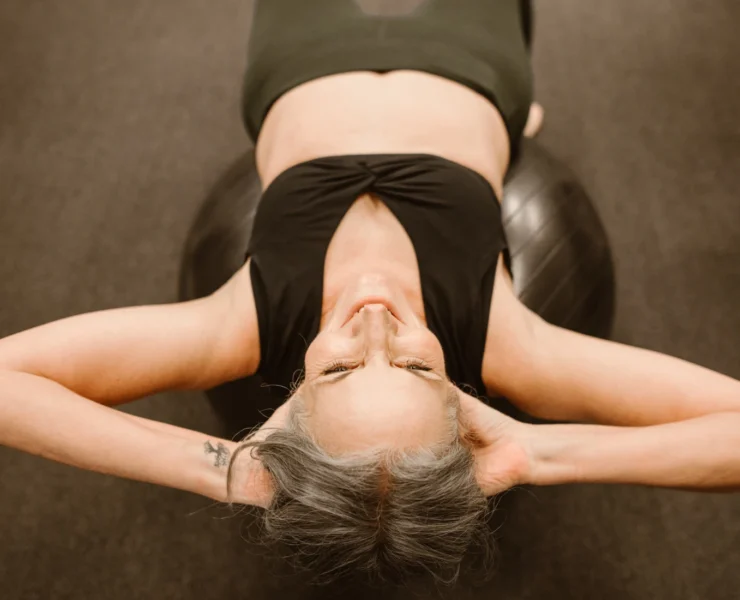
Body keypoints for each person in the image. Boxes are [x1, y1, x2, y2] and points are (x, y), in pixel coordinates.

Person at [1, 0, 739, 586]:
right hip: (470, 71)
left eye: (338, 368)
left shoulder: (241, 323)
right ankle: (514, 124)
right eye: (421, 367)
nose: (377, 325)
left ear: (288, 403)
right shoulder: (509, 342)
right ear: (464, 400)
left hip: (302, 72)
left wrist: (224, 470)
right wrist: (539, 455)